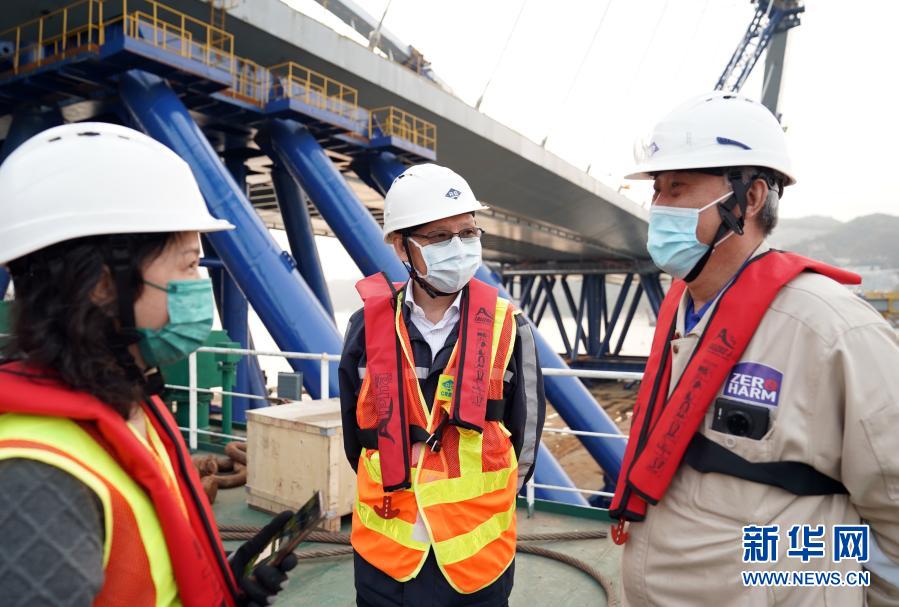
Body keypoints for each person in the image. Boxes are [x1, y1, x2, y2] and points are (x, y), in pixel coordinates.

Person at [609, 92, 899, 606]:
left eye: (678, 188)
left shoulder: (831, 327)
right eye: (656, 190)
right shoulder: (682, 309)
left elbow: (892, 499)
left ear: (750, 197)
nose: (659, 208)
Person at [0, 122, 297, 606]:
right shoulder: (32, 482)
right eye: (188, 264)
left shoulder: (127, 402)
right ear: (103, 286)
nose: (199, 284)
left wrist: (225, 585)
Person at [338, 163, 545, 606]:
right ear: (401, 246)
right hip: (386, 558)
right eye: (439, 236)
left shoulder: (511, 328)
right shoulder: (364, 328)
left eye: (468, 233)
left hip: (476, 560)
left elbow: (525, 443)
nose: (458, 247)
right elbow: (357, 440)